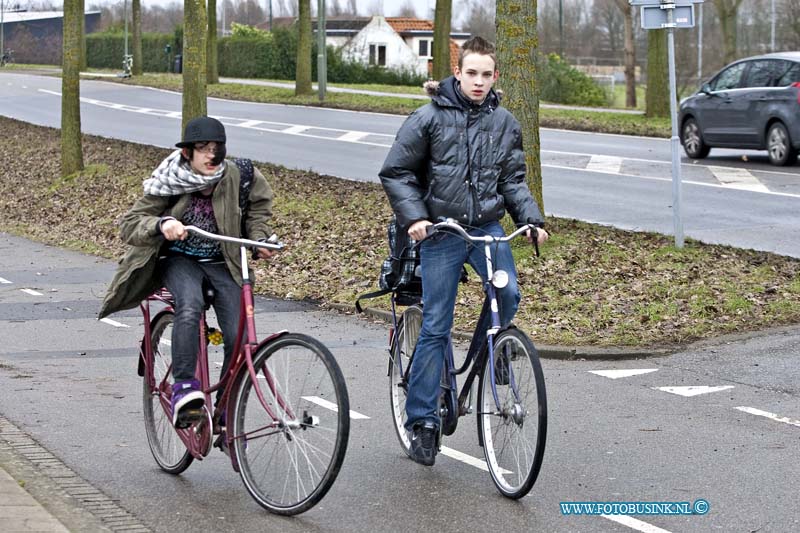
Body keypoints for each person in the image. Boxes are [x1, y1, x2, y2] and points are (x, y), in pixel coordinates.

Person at [379, 36, 549, 466]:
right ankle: (422, 422)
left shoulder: (505, 123)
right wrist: (415, 217)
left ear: (495, 77)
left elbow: (512, 180)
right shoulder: (429, 117)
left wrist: (531, 219)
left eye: (486, 74)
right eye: (471, 73)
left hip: (487, 225)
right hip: (441, 229)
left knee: (507, 294)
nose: (478, 82)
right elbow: (396, 171)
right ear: (457, 73)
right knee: (437, 323)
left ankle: (494, 353)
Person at [99, 116, 276, 429]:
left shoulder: (240, 175)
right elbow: (130, 224)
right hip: (178, 259)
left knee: (240, 334)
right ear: (187, 154)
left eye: (216, 149)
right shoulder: (169, 179)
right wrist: (162, 224)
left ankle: (224, 409)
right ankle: (185, 389)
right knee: (190, 305)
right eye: (202, 148)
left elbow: (258, 209)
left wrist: (259, 238)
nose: (210, 155)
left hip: (223, 261)